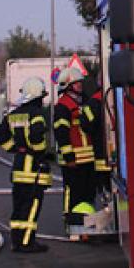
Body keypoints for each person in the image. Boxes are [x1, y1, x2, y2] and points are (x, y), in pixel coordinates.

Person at [0, 77, 52, 253]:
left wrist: (14, 149)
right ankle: (27, 243)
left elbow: (0, 133)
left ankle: (16, 241)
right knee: (32, 206)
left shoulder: (14, 114)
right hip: (33, 168)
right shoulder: (37, 115)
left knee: (19, 206)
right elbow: (36, 138)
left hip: (19, 166)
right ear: (37, 97)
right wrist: (41, 152)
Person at [52, 67, 97, 229]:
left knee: (88, 191)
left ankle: (86, 220)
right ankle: (70, 220)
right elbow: (61, 133)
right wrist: (69, 156)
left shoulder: (84, 102)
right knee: (73, 191)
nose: (80, 86)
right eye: (76, 84)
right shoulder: (63, 106)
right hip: (73, 159)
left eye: (80, 83)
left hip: (88, 157)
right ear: (67, 85)